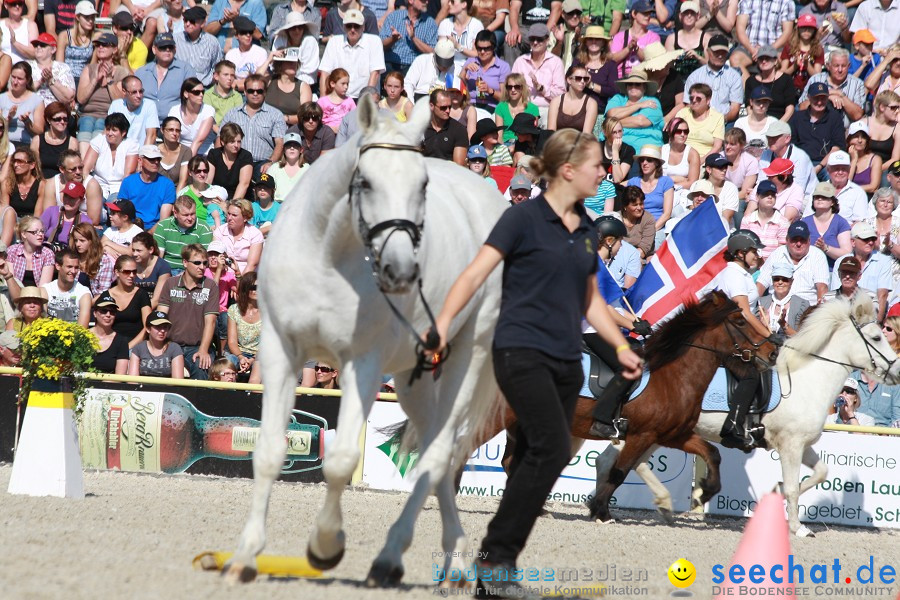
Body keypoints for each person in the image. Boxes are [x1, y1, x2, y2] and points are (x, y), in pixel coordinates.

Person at [429, 130, 641, 596]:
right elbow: (474, 274)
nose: (604, 172)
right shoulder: (522, 219)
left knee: (542, 456)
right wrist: (443, 323)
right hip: (519, 349)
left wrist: (622, 347)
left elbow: (589, 299)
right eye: (596, 165)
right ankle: (496, 562)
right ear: (568, 170)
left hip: (567, 360)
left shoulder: (587, 227)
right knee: (549, 448)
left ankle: (494, 569)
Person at [715, 230, 773, 451]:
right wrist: (769, 336)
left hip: (740, 336)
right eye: (753, 251)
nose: (757, 255)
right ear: (740, 253)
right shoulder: (733, 276)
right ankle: (733, 425)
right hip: (726, 339)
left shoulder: (745, 274)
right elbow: (744, 313)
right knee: (750, 374)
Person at [157, 244, 219, 380]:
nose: (202, 267)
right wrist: (160, 345)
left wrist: (203, 349)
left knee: (201, 365)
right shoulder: (170, 283)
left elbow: (211, 321)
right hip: (171, 344)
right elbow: (161, 318)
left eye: (205, 263)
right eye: (197, 263)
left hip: (197, 346)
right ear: (185, 262)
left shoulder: (210, 286)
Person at [221, 73, 286, 175]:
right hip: (236, 161)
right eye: (251, 91)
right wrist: (221, 162)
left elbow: (280, 143)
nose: (255, 94)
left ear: (265, 92)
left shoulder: (276, 115)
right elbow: (220, 138)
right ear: (245, 92)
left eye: (259, 91)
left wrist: (271, 162)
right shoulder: (232, 114)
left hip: (263, 164)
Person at [73, 33, 127, 155]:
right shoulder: (89, 69)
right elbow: (81, 99)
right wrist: (95, 80)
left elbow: (119, 101)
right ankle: (84, 162)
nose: (100, 47)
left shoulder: (121, 72)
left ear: (115, 49)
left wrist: (109, 80)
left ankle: (92, 162)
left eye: (105, 45)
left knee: (100, 123)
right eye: (98, 45)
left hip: (108, 116)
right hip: (87, 114)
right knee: (87, 121)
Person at [832, 222, 894, 321]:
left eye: (873, 239)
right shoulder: (840, 262)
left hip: (871, 316)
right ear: (853, 242)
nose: (870, 242)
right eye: (865, 239)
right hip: (844, 316)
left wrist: (876, 323)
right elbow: (836, 293)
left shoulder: (883, 261)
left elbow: (882, 295)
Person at [757, 221, 830, 304]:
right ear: (787, 240)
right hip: (776, 306)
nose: (798, 244)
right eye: (794, 240)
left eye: (802, 240)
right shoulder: (777, 254)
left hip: (807, 309)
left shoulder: (817, 256)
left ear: (809, 240)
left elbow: (822, 288)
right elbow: (761, 284)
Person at [136, 33, 197, 124]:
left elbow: (193, 98)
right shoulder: (142, 72)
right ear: (154, 49)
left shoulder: (186, 70)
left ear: (175, 49)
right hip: (145, 122)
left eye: (170, 47)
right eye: (163, 47)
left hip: (175, 123)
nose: (167, 50)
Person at [511, 23, 566, 123]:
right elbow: (510, 88)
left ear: (547, 40)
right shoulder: (520, 61)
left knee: (546, 121)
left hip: (546, 109)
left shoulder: (556, 62)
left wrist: (541, 89)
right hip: (522, 108)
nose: (535, 42)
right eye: (532, 39)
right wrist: (521, 89)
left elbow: (561, 94)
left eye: (539, 39)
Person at [797, 49, 866, 126]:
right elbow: (802, 108)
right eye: (836, 66)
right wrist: (827, 95)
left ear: (848, 66)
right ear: (828, 66)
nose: (840, 70)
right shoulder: (815, 79)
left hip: (845, 132)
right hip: (815, 129)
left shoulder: (857, 84)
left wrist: (841, 95)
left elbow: (858, 115)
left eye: (843, 66)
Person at [117, 145, 176, 232]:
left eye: (158, 159)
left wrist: (147, 235)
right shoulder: (128, 182)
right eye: (151, 159)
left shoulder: (168, 185)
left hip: (156, 229)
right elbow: (122, 212)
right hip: (130, 227)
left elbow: (163, 220)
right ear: (140, 160)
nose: (156, 162)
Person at [83, 112, 140, 202]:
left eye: (114, 130)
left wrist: (121, 196)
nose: (110, 133)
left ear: (123, 132)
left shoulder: (132, 145)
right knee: (94, 203)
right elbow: (85, 170)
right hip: (98, 185)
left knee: (115, 206)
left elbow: (127, 175)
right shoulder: (99, 140)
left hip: (119, 188)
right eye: (108, 129)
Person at [790, 82, 846, 172]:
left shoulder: (834, 118)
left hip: (825, 164)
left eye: (823, 98)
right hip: (800, 163)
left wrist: (819, 166)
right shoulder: (797, 117)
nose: (819, 102)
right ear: (809, 97)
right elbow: (791, 145)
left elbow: (837, 147)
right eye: (816, 98)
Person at [604, 68, 663, 153]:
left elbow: (640, 122)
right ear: (626, 86)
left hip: (644, 153)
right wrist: (638, 105)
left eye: (637, 84)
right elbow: (611, 114)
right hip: (617, 149)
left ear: (644, 87)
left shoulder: (652, 101)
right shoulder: (618, 98)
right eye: (630, 84)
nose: (633, 87)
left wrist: (612, 122)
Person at [627, 144, 673, 247]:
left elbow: (667, 214)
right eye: (642, 160)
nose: (645, 163)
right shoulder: (633, 182)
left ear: (656, 163)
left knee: (654, 243)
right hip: (635, 227)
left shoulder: (666, 182)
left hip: (657, 227)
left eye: (649, 160)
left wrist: (649, 232)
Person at [154, 195, 213, 272]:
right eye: (185, 215)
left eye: (192, 214)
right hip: (166, 269)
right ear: (175, 213)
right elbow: (158, 257)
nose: (190, 218)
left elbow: (204, 259)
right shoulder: (163, 226)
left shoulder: (203, 228)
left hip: (191, 271)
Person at [105, 254, 152, 349]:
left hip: (136, 346)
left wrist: (128, 347)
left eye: (134, 272)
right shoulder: (107, 296)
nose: (131, 275)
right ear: (117, 272)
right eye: (127, 272)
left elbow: (147, 327)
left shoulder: (141, 295)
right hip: (112, 345)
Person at [801, 181, 852, 267]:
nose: (820, 199)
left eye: (824, 197)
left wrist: (825, 248)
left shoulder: (841, 223)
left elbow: (847, 253)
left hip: (832, 270)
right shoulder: (804, 222)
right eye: (817, 197)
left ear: (832, 202)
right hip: (808, 269)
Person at [379, 0, 438, 73]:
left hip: (413, 67)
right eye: (423, 0)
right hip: (391, 63)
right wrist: (393, 39)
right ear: (411, 1)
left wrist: (413, 38)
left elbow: (432, 52)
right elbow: (381, 45)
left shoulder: (430, 23)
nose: (427, 2)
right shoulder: (394, 17)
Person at [173, 6, 223, 88]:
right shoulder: (175, 40)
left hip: (204, 88)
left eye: (192, 21)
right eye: (185, 20)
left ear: (203, 23)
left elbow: (218, 67)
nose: (188, 24)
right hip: (178, 87)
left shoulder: (212, 42)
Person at [758, 262, 810, 341]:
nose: (780, 282)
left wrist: (783, 324)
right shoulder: (762, 302)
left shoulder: (802, 304)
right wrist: (763, 326)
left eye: (785, 279)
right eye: (776, 279)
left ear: (791, 281)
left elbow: (802, 339)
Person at [460, 30, 510, 111]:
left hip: (492, 107)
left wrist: (490, 91)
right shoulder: (470, 61)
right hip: (470, 105)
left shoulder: (503, 66)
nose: (482, 52)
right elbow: (460, 87)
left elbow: (505, 98)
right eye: (479, 48)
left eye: (486, 48)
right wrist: (465, 70)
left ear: (493, 47)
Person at [40, 248, 91, 326]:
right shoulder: (46, 290)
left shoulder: (84, 293)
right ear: (58, 266)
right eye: (69, 267)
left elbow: (82, 329)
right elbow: (41, 322)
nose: (73, 271)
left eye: (76, 267)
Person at [744, 45, 795, 122]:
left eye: (767, 58)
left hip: (781, 121)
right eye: (761, 59)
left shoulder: (786, 80)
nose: (764, 61)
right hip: (757, 122)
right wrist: (755, 124)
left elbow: (790, 108)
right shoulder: (751, 81)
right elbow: (749, 107)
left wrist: (777, 126)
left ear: (775, 61)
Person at [740, 180, 789, 260]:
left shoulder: (782, 222)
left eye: (773, 195)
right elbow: (744, 246)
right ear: (757, 197)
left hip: (773, 266)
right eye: (766, 194)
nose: (770, 197)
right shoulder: (747, 220)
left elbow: (782, 251)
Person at [609, 0, 659, 79]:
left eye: (649, 13)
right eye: (644, 13)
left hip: (642, 78)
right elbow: (613, 60)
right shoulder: (620, 36)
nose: (648, 16)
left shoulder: (654, 37)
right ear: (634, 14)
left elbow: (651, 61)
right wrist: (628, 48)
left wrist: (637, 48)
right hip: (621, 78)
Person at [128, 310, 185, 378]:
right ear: (148, 329)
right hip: (142, 388)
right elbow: (133, 380)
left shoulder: (174, 349)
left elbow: (177, 381)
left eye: (165, 327)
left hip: (167, 388)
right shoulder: (138, 349)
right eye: (158, 327)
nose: (163, 330)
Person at [262, 50, 312, 128]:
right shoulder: (270, 80)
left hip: (291, 128)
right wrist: (268, 60)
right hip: (265, 125)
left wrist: (285, 118)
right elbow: (254, 80)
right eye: (289, 62)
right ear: (280, 64)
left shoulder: (303, 86)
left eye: (295, 62)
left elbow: (305, 114)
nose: (293, 64)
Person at [574, 25, 616, 114]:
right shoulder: (577, 62)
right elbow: (568, 82)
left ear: (603, 43)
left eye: (598, 39)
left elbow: (614, 90)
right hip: (577, 107)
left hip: (600, 110)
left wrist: (591, 85)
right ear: (585, 42)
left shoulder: (611, 65)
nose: (594, 42)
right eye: (590, 39)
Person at [213, 198, 263, 274]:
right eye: (228, 214)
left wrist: (240, 283)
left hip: (246, 278)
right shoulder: (220, 231)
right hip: (223, 275)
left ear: (245, 218)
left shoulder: (255, 234)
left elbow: (252, 265)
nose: (229, 218)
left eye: (234, 215)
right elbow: (215, 258)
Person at [269, 12, 319, 85]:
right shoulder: (279, 39)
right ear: (287, 30)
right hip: (281, 80)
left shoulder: (310, 41)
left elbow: (309, 69)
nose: (297, 31)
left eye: (300, 27)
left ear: (304, 28)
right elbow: (275, 65)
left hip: (306, 82)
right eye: (293, 28)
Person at [108, 75, 159, 147]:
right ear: (124, 92)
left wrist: (143, 156)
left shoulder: (149, 105)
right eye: (134, 92)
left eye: (141, 91)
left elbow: (151, 135)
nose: (139, 95)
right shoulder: (116, 105)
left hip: (141, 153)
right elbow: (109, 133)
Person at [0, 62, 44, 145]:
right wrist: (9, 118)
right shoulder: (2, 98)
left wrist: (27, 122)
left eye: (20, 79)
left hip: (26, 144)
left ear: (28, 80)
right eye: (13, 77)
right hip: (4, 143)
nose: (15, 82)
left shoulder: (37, 101)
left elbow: (40, 131)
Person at [40, 180, 93, 250]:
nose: (67, 200)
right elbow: (38, 232)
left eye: (72, 198)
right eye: (66, 196)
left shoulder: (85, 221)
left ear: (81, 200)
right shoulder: (51, 211)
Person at [676, 82, 724, 159]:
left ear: (708, 100)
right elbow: (673, 140)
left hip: (705, 160)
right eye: (691, 98)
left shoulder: (717, 117)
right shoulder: (682, 114)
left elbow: (717, 147)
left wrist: (699, 162)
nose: (694, 101)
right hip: (682, 158)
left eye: (698, 98)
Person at [226, 270, 260, 375]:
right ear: (245, 289)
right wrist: (241, 357)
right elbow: (232, 341)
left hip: (260, 355)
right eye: (254, 288)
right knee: (227, 364)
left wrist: (253, 360)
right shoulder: (234, 310)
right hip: (238, 353)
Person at [31, 102, 77, 181]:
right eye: (58, 119)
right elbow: (35, 168)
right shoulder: (37, 141)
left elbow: (71, 170)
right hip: (41, 182)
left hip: (62, 183)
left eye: (65, 119)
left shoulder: (72, 142)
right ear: (49, 120)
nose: (62, 122)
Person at [207, 122, 253, 199]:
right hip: (216, 198)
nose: (236, 145)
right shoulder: (214, 154)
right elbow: (208, 181)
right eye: (232, 142)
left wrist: (231, 206)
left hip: (238, 200)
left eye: (239, 141)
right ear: (222, 142)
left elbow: (244, 184)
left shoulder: (245, 156)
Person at [780, 14, 824, 93]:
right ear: (798, 28)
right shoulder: (789, 47)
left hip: (809, 90)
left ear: (814, 30)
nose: (806, 31)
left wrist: (807, 64)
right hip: (790, 89)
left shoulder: (818, 49)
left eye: (810, 28)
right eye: (803, 28)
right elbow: (782, 74)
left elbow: (817, 76)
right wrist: (795, 66)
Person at [547, 64, 598, 133]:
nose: (582, 81)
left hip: (580, 142)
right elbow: (550, 132)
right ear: (568, 80)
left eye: (585, 79)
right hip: (558, 142)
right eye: (578, 78)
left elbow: (586, 134)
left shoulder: (591, 103)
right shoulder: (556, 101)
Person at [423, 89, 468, 165]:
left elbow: (459, 166)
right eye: (443, 108)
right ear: (431, 106)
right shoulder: (421, 128)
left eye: (450, 107)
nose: (447, 111)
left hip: (448, 173)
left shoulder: (459, 130)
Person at [750, 157, 803, 222]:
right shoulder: (761, 185)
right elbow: (749, 213)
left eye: (771, 176)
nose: (768, 178)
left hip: (781, 230)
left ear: (784, 177)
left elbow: (788, 219)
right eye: (768, 175)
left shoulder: (796, 190)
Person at [7, 216, 54, 287]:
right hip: (15, 294)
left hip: (38, 296)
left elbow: (44, 288)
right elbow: (11, 284)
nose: (40, 234)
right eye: (35, 232)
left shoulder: (47, 254)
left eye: (42, 231)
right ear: (23, 234)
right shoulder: (12, 251)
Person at [662, 117, 699, 206]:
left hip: (683, 194)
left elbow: (692, 182)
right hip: (662, 193)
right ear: (671, 132)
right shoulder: (662, 151)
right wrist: (676, 179)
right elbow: (655, 179)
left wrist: (671, 186)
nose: (683, 134)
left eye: (686, 132)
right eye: (679, 131)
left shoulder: (692, 154)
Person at [494, 72, 539, 145]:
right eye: (510, 87)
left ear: (522, 88)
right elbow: (499, 136)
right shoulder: (501, 107)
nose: (513, 90)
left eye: (517, 87)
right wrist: (504, 151)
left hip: (524, 144)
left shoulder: (533, 109)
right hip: (506, 144)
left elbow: (532, 135)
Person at [69, 222, 114, 295]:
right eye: (76, 240)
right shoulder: (72, 257)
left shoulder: (103, 261)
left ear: (91, 241)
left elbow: (102, 292)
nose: (77, 244)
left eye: (82, 241)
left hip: (94, 302)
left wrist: (86, 304)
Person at [224, 16, 267, 92]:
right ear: (236, 35)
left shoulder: (261, 52)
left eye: (250, 32)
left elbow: (259, 79)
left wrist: (239, 85)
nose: (248, 35)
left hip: (254, 92)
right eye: (244, 32)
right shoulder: (230, 55)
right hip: (234, 93)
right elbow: (228, 80)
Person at [438, 0, 484, 71]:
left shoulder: (476, 25)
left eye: (453, 2)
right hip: (448, 68)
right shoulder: (445, 23)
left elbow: (477, 54)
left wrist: (458, 46)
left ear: (464, 4)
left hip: (470, 68)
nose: (449, 4)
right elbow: (441, 54)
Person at [613, 185, 655, 259]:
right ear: (625, 206)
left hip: (639, 258)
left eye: (641, 204)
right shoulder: (615, 219)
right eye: (635, 205)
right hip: (617, 257)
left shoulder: (648, 219)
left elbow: (643, 249)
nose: (639, 208)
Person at [132, 231, 171, 308]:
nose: (134, 254)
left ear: (150, 250)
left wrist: (139, 314)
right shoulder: (130, 265)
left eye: (139, 251)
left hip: (153, 309)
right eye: (133, 250)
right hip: (133, 307)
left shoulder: (162, 267)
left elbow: (156, 300)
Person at [204, 60, 243, 136]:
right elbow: (208, 119)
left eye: (232, 75)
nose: (229, 78)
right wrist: (221, 134)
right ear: (216, 76)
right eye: (226, 75)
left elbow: (238, 119)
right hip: (211, 132)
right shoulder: (208, 95)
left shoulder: (237, 96)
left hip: (231, 133)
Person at [3, 147, 43, 219]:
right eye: (14, 161)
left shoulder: (41, 185)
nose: (15, 165)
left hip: (31, 224)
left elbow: (38, 215)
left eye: (20, 161)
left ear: (32, 165)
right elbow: (4, 211)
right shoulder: (8, 183)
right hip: (11, 222)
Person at [266, 132, 307, 203]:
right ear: (284, 149)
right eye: (288, 146)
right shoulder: (274, 168)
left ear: (301, 150)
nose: (292, 148)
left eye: (295, 146)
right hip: (277, 207)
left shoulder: (307, 168)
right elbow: (267, 190)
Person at [724, 128, 759, 208]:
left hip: (739, 196)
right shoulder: (719, 157)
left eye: (732, 144)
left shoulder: (750, 161)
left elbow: (744, 192)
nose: (727, 147)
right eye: (726, 143)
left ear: (742, 145)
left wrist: (725, 200)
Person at [865, 90, 900, 168]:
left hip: (886, 169)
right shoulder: (864, 124)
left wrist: (876, 171)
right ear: (882, 107)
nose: (897, 111)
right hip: (864, 167)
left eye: (898, 107)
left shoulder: (897, 128)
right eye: (893, 108)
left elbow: (895, 159)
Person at [847, 120, 883, 194]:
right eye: (856, 136)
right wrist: (854, 161)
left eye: (863, 137)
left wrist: (851, 189)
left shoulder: (875, 159)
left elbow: (873, 187)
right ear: (849, 139)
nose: (860, 140)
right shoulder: (844, 158)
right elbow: (845, 184)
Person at [702, 153, 739, 224]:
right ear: (709, 169)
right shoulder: (697, 186)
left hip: (723, 231)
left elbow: (726, 219)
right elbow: (693, 213)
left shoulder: (731, 188)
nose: (724, 170)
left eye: (725, 167)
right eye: (720, 167)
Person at [157, 116, 192, 190]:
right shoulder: (154, 150)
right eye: (170, 130)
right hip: (156, 192)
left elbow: (183, 180)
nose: (174, 133)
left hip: (177, 193)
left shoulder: (186, 151)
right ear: (162, 130)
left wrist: (175, 200)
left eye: (177, 130)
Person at [318, 69, 356, 134]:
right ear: (332, 84)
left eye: (347, 84)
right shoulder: (322, 101)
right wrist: (331, 128)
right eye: (343, 84)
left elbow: (355, 118)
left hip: (345, 134)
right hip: (326, 134)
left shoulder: (349, 101)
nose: (346, 87)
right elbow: (317, 121)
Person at [0, 0, 38, 65]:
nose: (17, 6)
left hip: (25, 68)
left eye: (20, 4)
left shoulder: (30, 25)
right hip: (4, 67)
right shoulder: (1, 25)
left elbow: (33, 53)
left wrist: (15, 43)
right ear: (6, 5)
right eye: (13, 4)